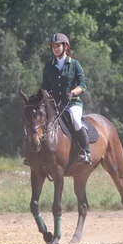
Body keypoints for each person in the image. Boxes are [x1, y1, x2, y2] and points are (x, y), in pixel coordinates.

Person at [41, 33, 91, 164]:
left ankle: (86, 151)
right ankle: (34, 154)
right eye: (53, 46)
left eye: (58, 46)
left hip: (72, 103)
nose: (55, 49)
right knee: (37, 119)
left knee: (75, 119)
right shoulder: (49, 66)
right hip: (54, 105)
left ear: (65, 46)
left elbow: (83, 85)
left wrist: (73, 92)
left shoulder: (74, 64)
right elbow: (44, 87)